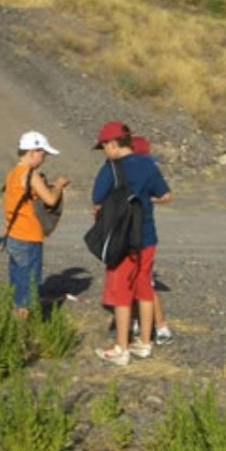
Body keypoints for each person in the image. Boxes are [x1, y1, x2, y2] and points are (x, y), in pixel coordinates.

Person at [92, 121, 172, 366]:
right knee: (144, 288)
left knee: (121, 292)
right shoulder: (148, 164)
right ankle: (145, 343)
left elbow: (97, 202)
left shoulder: (111, 168)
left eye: (104, 146)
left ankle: (121, 347)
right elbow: (166, 195)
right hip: (147, 236)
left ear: (113, 144)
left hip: (121, 240)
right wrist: (141, 199)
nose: (104, 151)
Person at [3, 131, 69, 319]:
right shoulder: (30, 175)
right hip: (28, 238)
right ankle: (23, 336)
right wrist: (58, 185)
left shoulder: (13, 173)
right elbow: (50, 200)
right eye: (42, 154)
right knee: (28, 290)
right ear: (32, 152)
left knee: (18, 288)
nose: (44, 158)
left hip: (13, 236)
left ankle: (16, 326)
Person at [130, 135, 174, 345]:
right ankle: (140, 321)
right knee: (137, 281)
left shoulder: (131, 170)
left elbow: (167, 196)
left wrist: (145, 199)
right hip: (139, 232)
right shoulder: (146, 170)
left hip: (141, 234)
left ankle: (161, 326)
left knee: (145, 283)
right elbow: (165, 196)